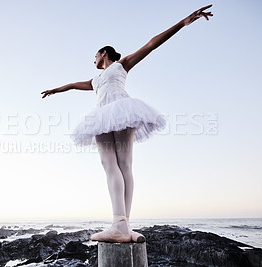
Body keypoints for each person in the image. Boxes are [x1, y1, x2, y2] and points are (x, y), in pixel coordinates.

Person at [41, 5, 213, 243]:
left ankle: (122, 224)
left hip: (122, 110)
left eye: (95, 55)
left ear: (104, 53)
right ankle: (121, 224)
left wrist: (181, 24)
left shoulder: (122, 65)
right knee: (109, 164)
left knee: (124, 164)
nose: (93, 59)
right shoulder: (95, 80)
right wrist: (55, 90)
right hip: (101, 116)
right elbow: (72, 85)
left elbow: (151, 44)